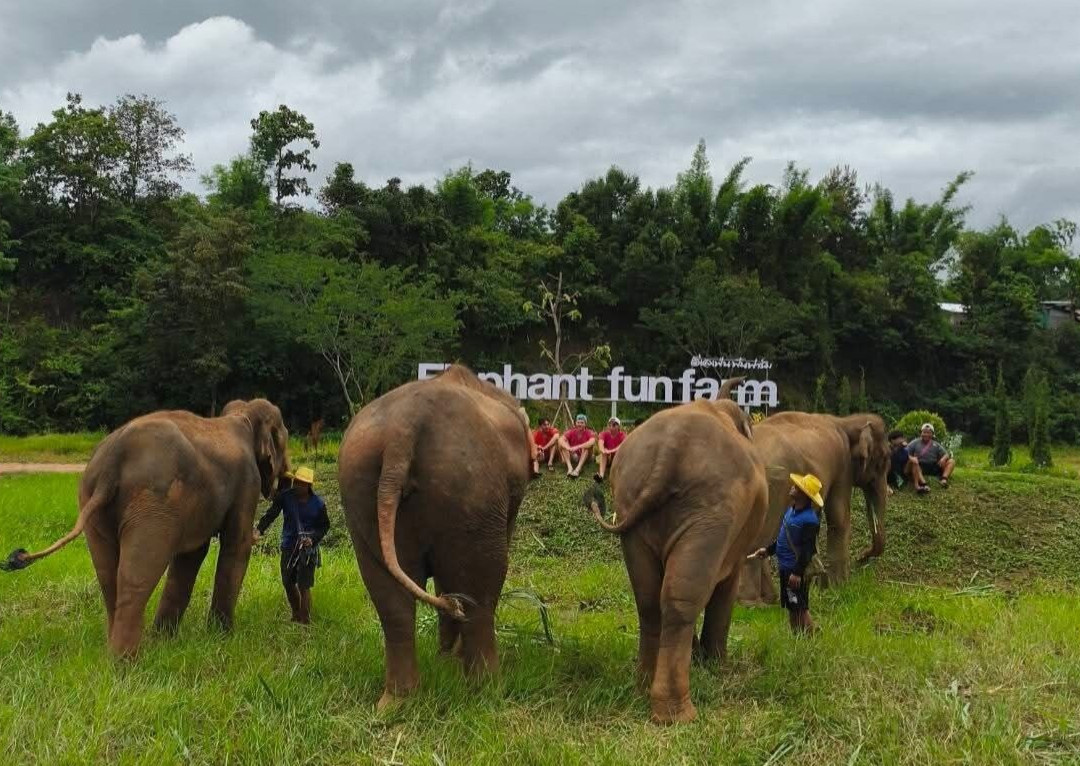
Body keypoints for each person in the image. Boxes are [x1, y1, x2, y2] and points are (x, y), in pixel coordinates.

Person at [253, 466, 330, 625]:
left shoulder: (319, 505)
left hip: (307, 550)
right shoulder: (285, 497)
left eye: (301, 483)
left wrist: (312, 539)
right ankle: (296, 613)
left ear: (309, 486)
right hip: (289, 545)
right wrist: (259, 530)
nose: (297, 486)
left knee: (304, 585)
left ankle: (305, 621)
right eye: (296, 482)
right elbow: (271, 514)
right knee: (288, 582)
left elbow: (324, 526)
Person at [751, 473, 824, 634]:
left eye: (796, 487)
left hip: (795, 571)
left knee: (800, 607)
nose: (792, 487)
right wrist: (768, 551)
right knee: (792, 605)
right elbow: (784, 539)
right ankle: (797, 637)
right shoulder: (791, 511)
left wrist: (797, 573)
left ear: (804, 495)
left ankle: (811, 636)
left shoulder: (809, 520)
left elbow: (808, 549)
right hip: (786, 569)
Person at [906, 423, 955, 487]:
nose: (926, 434)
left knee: (951, 461)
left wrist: (943, 458)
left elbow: (946, 454)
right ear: (921, 433)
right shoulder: (914, 442)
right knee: (914, 463)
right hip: (920, 466)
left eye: (928, 433)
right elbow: (906, 452)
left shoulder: (936, 444)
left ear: (932, 434)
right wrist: (912, 458)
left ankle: (944, 479)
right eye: (924, 432)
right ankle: (923, 483)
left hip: (933, 466)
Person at [886, 430, 930, 495]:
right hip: (889, 472)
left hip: (902, 471)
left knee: (914, 461)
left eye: (902, 437)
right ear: (892, 440)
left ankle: (917, 486)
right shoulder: (887, 449)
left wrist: (912, 458)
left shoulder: (904, 449)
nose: (902, 440)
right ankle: (886, 485)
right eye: (899, 438)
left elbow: (908, 458)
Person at [560, 414, 596, 478]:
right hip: (574, 456)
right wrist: (568, 447)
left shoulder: (590, 432)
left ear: (585, 424)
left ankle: (577, 470)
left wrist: (578, 447)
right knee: (563, 444)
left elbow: (592, 441)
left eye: (582, 423)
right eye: (578, 422)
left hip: (586, 456)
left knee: (586, 447)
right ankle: (570, 468)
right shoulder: (571, 431)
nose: (579, 424)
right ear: (575, 423)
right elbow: (560, 439)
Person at [594, 416, 626, 483]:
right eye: (610, 424)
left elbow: (622, 445)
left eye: (614, 424)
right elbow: (600, 443)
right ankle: (601, 476)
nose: (612, 426)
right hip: (607, 457)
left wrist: (610, 451)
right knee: (603, 452)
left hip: (617, 457)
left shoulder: (622, 435)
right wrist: (604, 450)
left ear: (618, 426)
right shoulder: (604, 433)